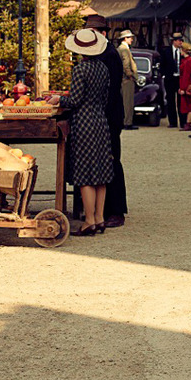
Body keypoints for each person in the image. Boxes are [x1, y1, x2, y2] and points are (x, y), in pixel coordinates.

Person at [63, 28, 115, 236]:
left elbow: (74, 100)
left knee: (85, 173)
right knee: (101, 172)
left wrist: (59, 100)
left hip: (83, 122)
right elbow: (104, 99)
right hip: (100, 120)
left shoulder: (80, 70)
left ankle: (89, 221)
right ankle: (100, 217)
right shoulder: (103, 68)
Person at [84, 13, 128, 229]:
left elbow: (109, 92)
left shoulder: (108, 54)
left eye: (92, 32)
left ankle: (116, 211)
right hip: (103, 114)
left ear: (102, 33)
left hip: (108, 116)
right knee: (105, 161)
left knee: (111, 160)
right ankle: (96, 210)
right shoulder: (100, 52)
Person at [160, 32, 184, 129]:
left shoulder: (183, 51)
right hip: (170, 79)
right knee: (170, 100)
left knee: (181, 100)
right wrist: (165, 75)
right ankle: (173, 121)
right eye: (179, 40)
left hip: (180, 78)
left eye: (181, 40)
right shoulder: (167, 51)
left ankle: (183, 121)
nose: (180, 42)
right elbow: (162, 64)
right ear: (174, 41)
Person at [117, 29, 138, 130]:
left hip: (123, 79)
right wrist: (130, 75)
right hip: (126, 79)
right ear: (125, 38)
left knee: (125, 101)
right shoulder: (124, 49)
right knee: (128, 102)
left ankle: (125, 121)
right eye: (130, 37)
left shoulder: (121, 48)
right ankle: (128, 122)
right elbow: (126, 64)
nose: (132, 40)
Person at [178, 41, 191, 130]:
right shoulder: (187, 60)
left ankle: (188, 123)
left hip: (186, 84)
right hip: (188, 82)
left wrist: (183, 88)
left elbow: (186, 75)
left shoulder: (187, 61)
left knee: (188, 105)